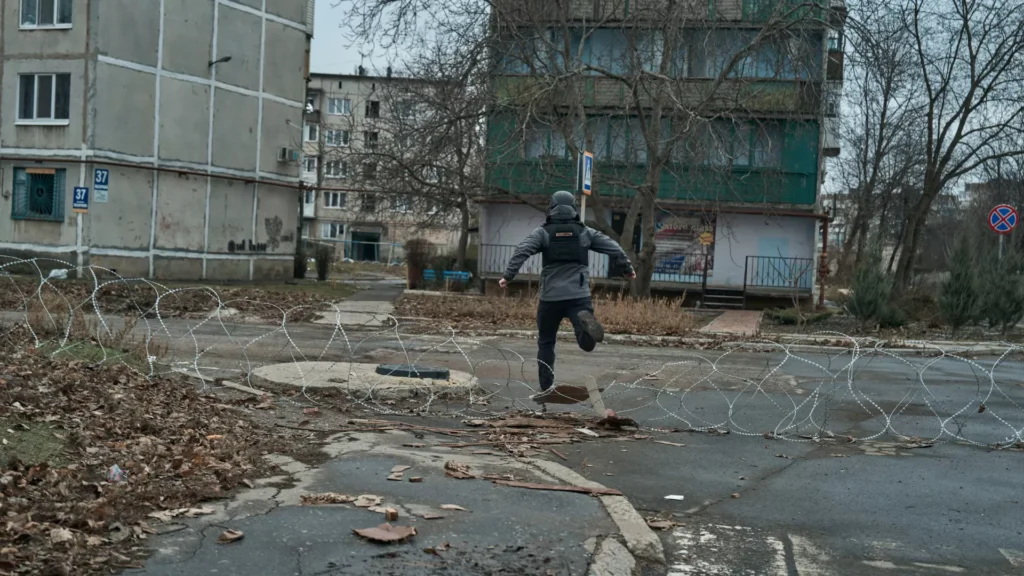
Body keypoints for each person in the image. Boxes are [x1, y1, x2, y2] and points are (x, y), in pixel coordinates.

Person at [499, 190, 636, 396]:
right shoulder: (584, 232)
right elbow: (613, 247)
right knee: (586, 343)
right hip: (578, 296)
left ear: (551, 208)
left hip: (550, 298)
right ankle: (586, 332)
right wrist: (626, 268)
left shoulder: (543, 233)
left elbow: (522, 250)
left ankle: (546, 387)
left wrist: (508, 276)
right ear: (573, 208)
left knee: (546, 342)